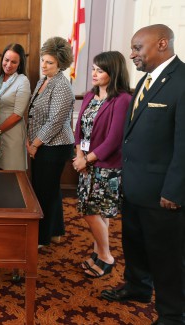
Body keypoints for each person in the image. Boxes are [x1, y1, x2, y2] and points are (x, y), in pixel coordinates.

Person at [100, 24, 185, 325]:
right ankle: (137, 287)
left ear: (162, 44)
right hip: (134, 186)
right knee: (134, 244)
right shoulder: (146, 80)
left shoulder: (181, 81)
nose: (132, 54)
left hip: (163, 193)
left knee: (166, 257)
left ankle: (173, 314)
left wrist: (175, 191)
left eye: (138, 47)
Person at [72, 51, 131, 278]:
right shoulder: (90, 95)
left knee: (90, 211)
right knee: (97, 211)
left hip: (106, 166)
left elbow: (114, 139)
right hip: (85, 163)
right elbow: (79, 129)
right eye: (94, 68)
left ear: (112, 73)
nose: (94, 73)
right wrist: (79, 156)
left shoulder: (122, 99)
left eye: (100, 70)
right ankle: (97, 253)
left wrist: (86, 159)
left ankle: (106, 256)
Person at [26, 37, 75, 247]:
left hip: (54, 146)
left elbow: (55, 121)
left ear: (61, 64)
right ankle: (55, 231)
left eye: (50, 62)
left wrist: (35, 144)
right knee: (50, 190)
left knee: (44, 192)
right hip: (42, 143)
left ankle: (42, 238)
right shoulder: (43, 80)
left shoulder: (62, 85)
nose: (44, 65)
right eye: (43, 61)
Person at [0, 43, 31, 170]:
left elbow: (18, 114)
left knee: (11, 173)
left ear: (20, 64)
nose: (8, 65)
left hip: (11, 133)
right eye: (6, 60)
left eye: (14, 62)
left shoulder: (22, 81)